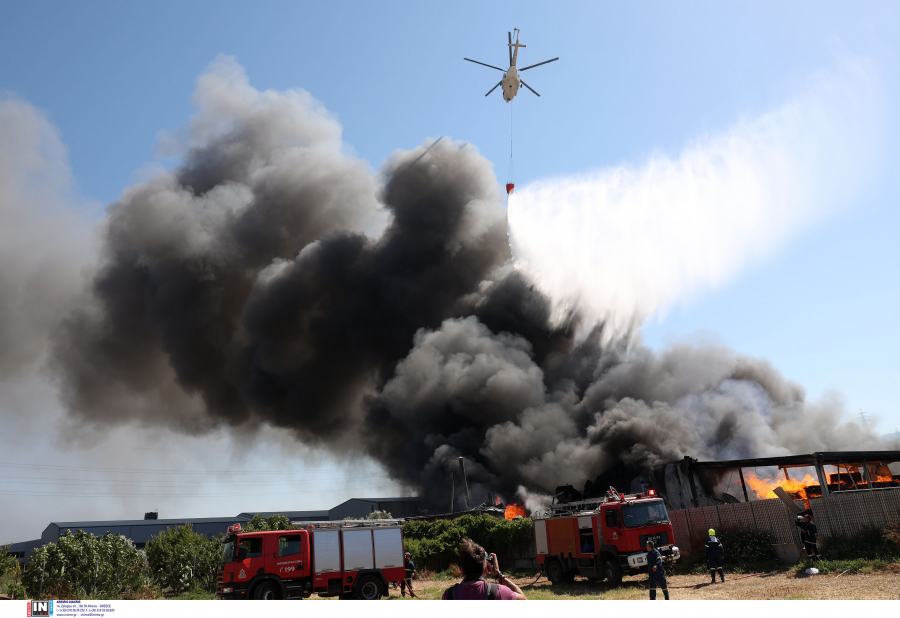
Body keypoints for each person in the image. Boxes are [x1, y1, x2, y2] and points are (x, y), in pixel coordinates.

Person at [442, 538, 526, 600]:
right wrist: (499, 575)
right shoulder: (499, 592)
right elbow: (524, 600)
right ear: (486, 569)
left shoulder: (449, 595)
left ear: (462, 571)